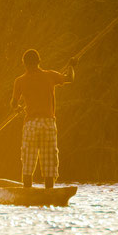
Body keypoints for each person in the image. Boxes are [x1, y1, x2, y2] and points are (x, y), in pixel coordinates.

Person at [10, 49, 76, 189]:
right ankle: (49, 192)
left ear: (24, 64)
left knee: (28, 160)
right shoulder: (50, 75)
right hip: (48, 123)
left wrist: (18, 109)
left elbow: (13, 104)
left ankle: (27, 192)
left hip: (31, 124)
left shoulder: (20, 81)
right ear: (39, 62)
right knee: (49, 161)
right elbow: (70, 78)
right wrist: (71, 66)